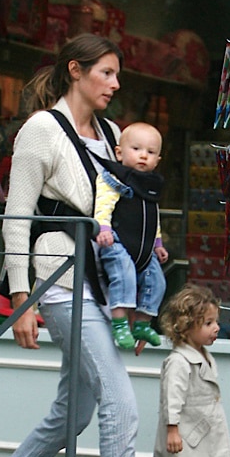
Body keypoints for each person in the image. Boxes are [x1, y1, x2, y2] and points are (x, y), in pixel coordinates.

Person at [0, 33, 173, 457]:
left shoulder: (112, 135)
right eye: (106, 72)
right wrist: (19, 299)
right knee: (120, 402)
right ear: (76, 71)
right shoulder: (40, 129)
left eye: (117, 73)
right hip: (58, 283)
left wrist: (149, 242)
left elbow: (126, 204)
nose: (116, 83)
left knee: (75, 411)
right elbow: (16, 216)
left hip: (102, 283)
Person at [135, 284, 230, 457]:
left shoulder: (203, 355)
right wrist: (172, 429)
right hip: (185, 434)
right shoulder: (179, 361)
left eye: (216, 322)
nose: (215, 328)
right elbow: (172, 397)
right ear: (186, 326)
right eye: (208, 323)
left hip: (198, 433)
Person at [94, 122, 169, 349]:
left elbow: (152, 216)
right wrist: (103, 228)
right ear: (119, 152)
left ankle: (143, 323)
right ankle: (119, 323)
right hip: (118, 242)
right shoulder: (116, 178)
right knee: (124, 275)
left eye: (150, 152)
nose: (143, 156)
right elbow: (103, 204)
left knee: (157, 280)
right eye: (136, 149)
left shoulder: (151, 185)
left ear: (158, 160)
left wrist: (157, 243)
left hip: (144, 247)